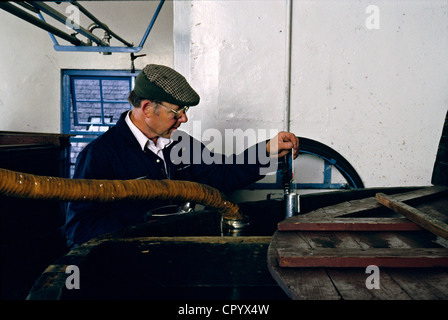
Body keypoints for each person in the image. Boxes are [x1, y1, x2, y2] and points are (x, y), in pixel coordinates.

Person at [64, 64, 299, 247]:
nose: (184, 119)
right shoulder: (100, 154)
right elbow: (80, 229)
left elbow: (222, 174)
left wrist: (267, 151)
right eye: (177, 112)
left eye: (184, 111)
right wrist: (144, 227)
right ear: (146, 108)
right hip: (130, 267)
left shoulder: (181, 143)